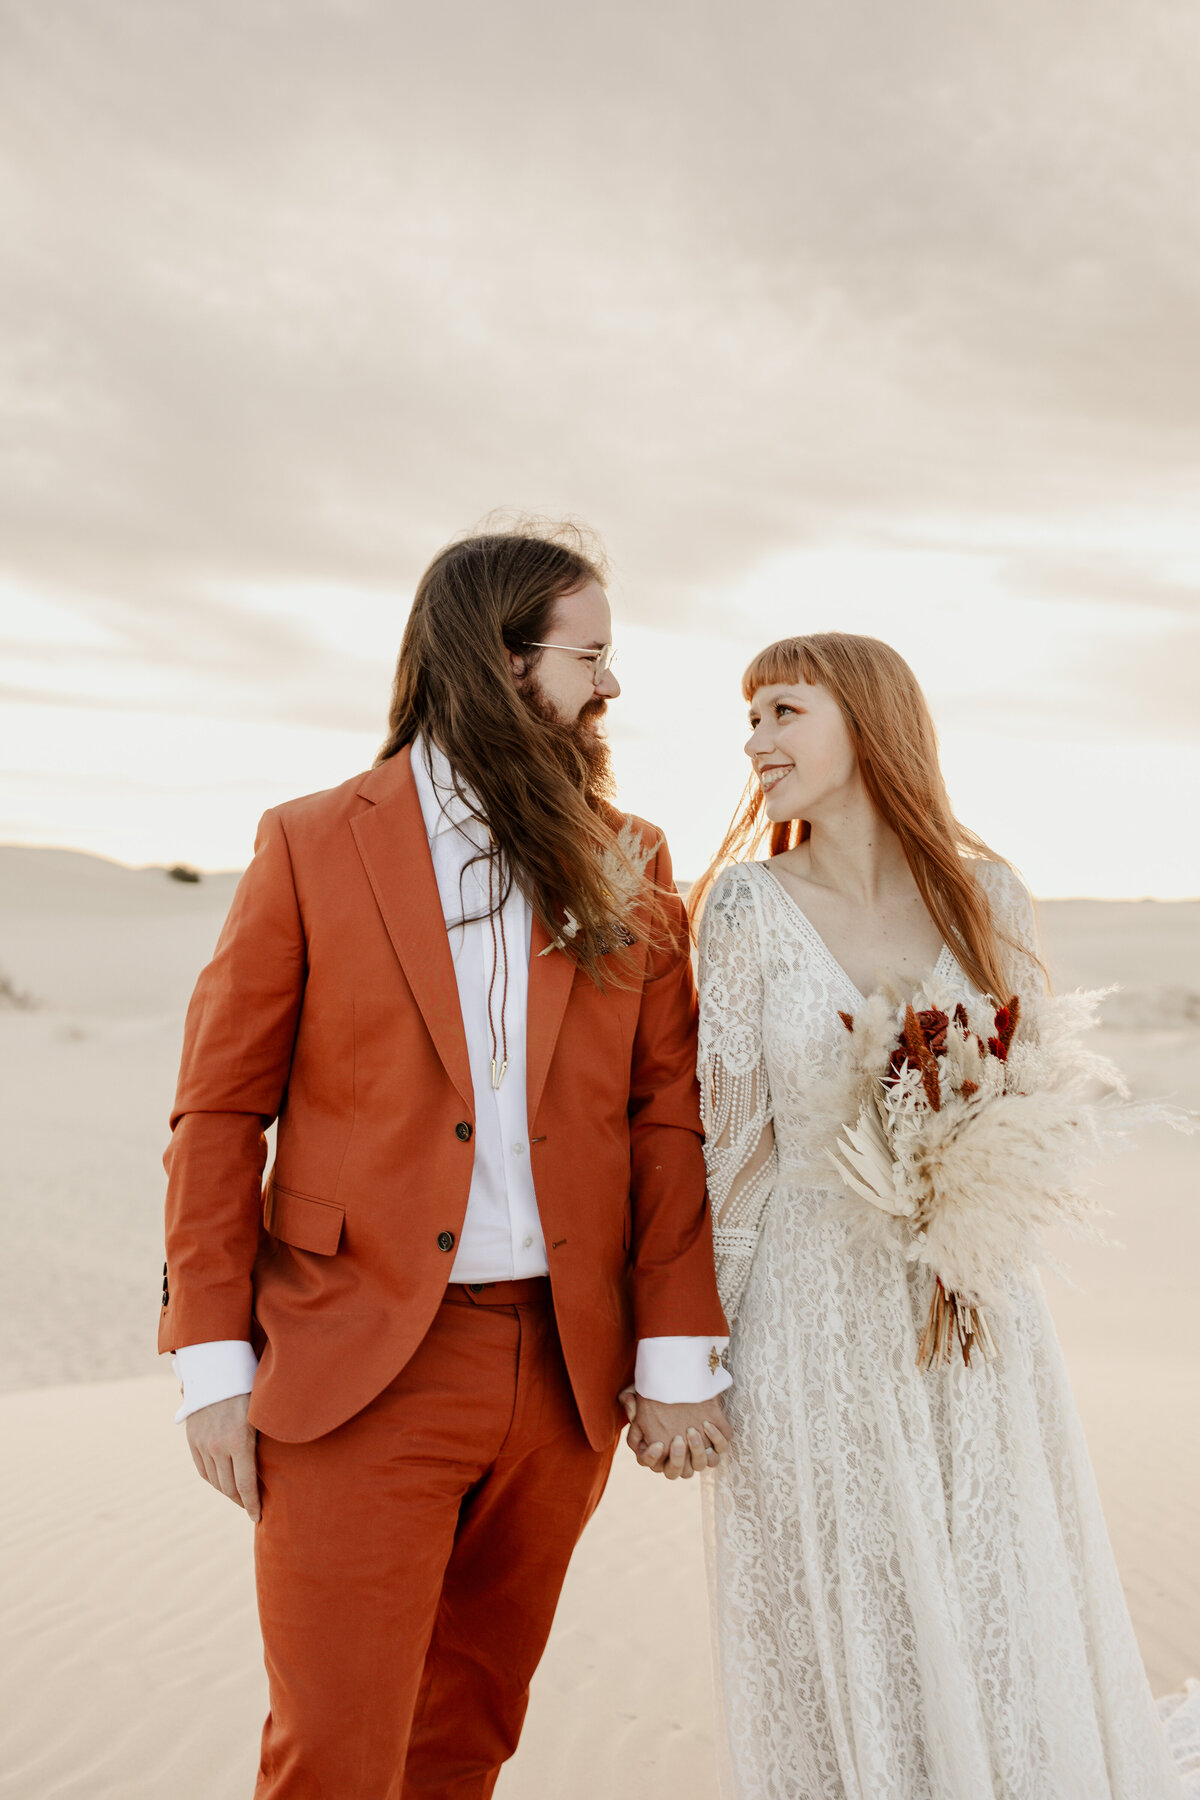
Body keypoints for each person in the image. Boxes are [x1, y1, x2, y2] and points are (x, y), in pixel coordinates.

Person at [159, 525, 731, 1799]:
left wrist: (676, 1351)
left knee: (463, 1743)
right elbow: (216, 1112)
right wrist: (208, 1359)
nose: (611, 687)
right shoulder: (313, 842)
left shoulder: (628, 855)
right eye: (589, 656)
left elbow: (664, 1115)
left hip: (565, 1375)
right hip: (357, 1366)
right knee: (336, 1756)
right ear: (497, 659)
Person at [683, 631, 1195, 1798]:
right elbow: (736, 1148)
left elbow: (1033, 1089)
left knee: (989, 1572)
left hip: (970, 1289)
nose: (754, 741)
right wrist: (701, 1344)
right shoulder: (747, 908)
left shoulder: (988, 891)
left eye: (781, 712)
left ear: (864, 720)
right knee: (849, 1591)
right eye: (749, 717)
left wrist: (966, 1193)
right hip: (808, 1302)